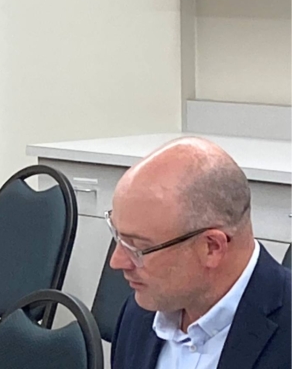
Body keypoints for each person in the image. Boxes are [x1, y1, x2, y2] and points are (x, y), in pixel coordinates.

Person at [109, 137, 291, 369]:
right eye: (118, 236)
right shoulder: (139, 315)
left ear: (212, 247)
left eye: (139, 247)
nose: (116, 262)